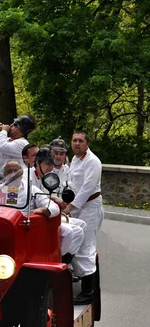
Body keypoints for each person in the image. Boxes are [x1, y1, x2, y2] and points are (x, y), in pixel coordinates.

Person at [10, 154, 86, 262]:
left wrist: (42, 210)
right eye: (10, 172)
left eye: (16, 172)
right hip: (8, 224)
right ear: (4, 174)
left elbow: (52, 206)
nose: (13, 175)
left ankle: (59, 258)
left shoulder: (30, 188)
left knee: (75, 229)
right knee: (74, 230)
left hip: (28, 224)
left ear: (21, 173)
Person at [60, 129, 103, 304]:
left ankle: (88, 292)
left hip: (90, 208)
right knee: (74, 242)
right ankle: (75, 278)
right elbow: (72, 184)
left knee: (86, 247)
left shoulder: (93, 162)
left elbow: (86, 189)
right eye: (74, 140)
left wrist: (69, 207)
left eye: (80, 141)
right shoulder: (76, 160)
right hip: (77, 207)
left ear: (87, 143)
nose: (76, 143)